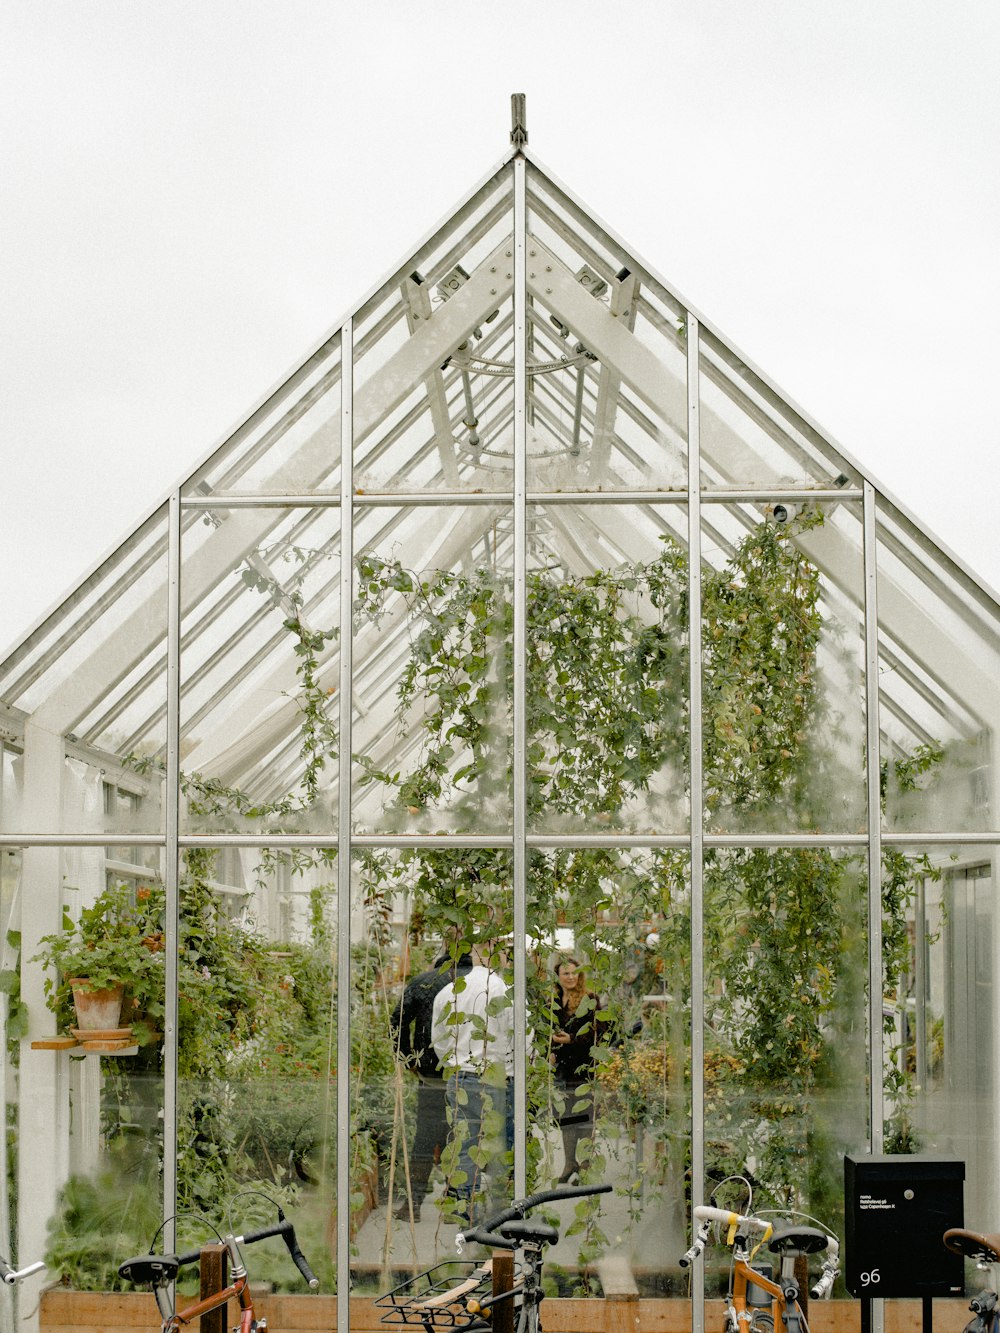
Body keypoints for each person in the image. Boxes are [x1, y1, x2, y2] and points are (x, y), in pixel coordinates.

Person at [431, 943, 515, 1221]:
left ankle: (466, 1210)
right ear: (496, 954)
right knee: (501, 1144)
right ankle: (501, 1215)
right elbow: (518, 1038)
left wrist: (457, 1062)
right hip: (497, 1077)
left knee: (465, 1143)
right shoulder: (504, 991)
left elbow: (439, 1040)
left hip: (461, 1077)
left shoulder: (449, 992)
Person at [389, 947, 473, 1221]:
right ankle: (457, 1206)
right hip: (470, 1074)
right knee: (463, 1135)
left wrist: (406, 1057)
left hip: (430, 1073)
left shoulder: (423, 982)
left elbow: (397, 1020)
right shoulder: (482, 983)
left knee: (424, 1139)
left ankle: (412, 1205)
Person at [550, 954, 604, 1183]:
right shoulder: (552, 1001)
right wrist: (551, 1048)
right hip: (561, 1069)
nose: (571, 977)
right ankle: (569, 1162)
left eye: (574, 973)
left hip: (583, 1069)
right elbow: (546, 1030)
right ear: (558, 977)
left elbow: (597, 1034)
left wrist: (570, 1039)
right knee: (565, 1117)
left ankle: (585, 1165)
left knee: (584, 1117)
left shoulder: (590, 999)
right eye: (566, 973)